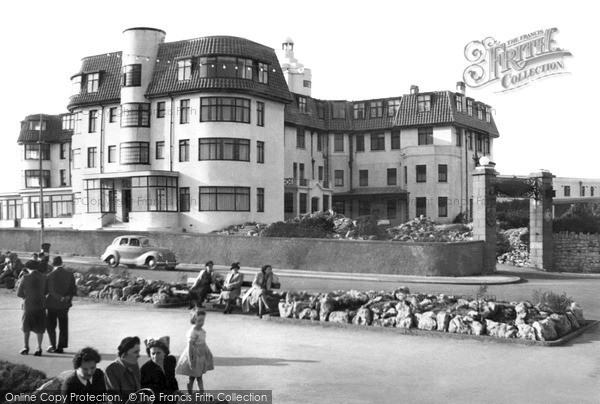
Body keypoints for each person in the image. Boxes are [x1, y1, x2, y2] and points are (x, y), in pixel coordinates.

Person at [175, 309, 213, 393]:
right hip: (194, 356)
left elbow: (204, 343)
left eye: (203, 320)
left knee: (199, 376)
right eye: (199, 320)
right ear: (193, 320)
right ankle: (190, 394)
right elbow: (189, 347)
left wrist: (208, 352)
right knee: (191, 377)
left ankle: (201, 393)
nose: (202, 322)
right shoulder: (192, 332)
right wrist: (190, 360)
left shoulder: (202, 330)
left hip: (201, 356)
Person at [46, 256, 77, 354]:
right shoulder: (70, 274)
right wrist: (67, 297)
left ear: (52, 264)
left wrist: (59, 298)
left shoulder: (50, 275)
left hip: (52, 304)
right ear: (62, 263)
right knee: (63, 326)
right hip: (65, 305)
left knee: (51, 325)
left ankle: (53, 345)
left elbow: (50, 291)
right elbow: (73, 289)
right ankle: (61, 346)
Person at [17, 260, 48, 356]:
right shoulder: (44, 278)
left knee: (26, 327)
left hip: (29, 305)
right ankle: (39, 347)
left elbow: (19, 293)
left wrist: (25, 297)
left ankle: (26, 347)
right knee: (40, 327)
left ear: (27, 268)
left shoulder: (25, 278)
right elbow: (46, 291)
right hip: (41, 305)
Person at [141, 337, 178, 403]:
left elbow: (172, 379)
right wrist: (171, 396)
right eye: (153, 353)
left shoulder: (170, 361)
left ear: (165, 353)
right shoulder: (145, 369)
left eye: (158, 353)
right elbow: (149, 393)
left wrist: (176, 391)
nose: (155, 357)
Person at [105, 336, 142, 401]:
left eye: (139, 352)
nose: (139, 355)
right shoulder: (111, 369)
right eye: (135, 352)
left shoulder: (135, 365)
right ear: (124, 353)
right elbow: (115, 399)